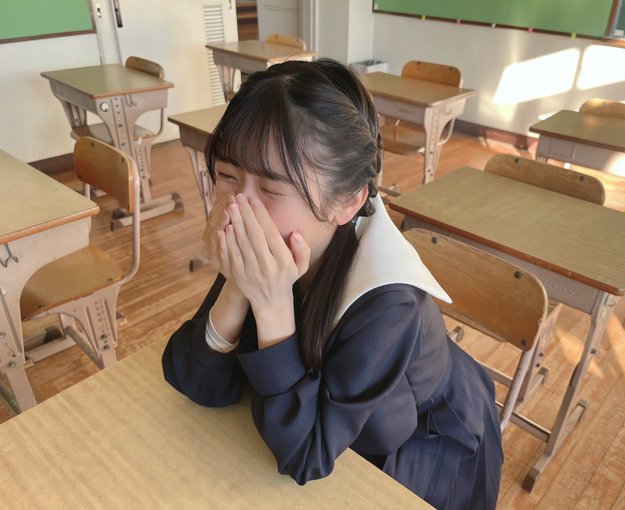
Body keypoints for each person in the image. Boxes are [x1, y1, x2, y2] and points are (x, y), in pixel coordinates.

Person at [162, 58, 503, 509]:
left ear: (347, 202)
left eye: (270, 189)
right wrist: (238, 286)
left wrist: (271, 304)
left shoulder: (390, 301)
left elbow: (305, 455)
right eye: (227, 176)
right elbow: (194, 379)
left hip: (420, 442)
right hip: (336, 422)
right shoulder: (276, 244)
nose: (240, 207)